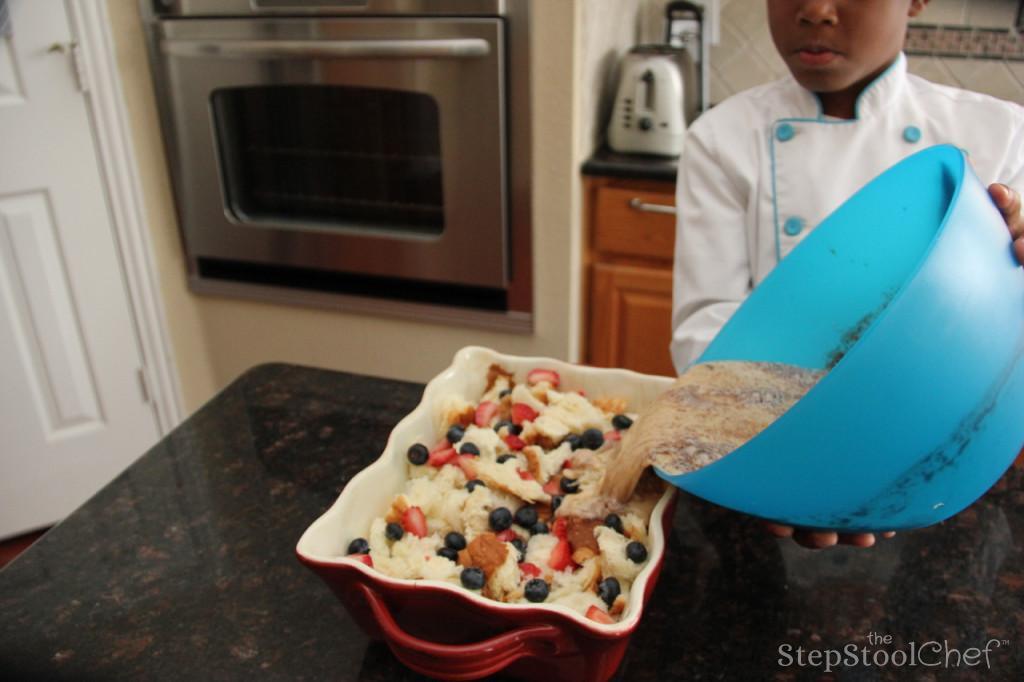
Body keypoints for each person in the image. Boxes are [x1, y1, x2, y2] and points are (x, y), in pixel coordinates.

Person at [670, 0, 1024, 548]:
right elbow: (708, 328)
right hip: (775, 468)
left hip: (951, 476)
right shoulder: (722, 137)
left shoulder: (1001, 132)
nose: (814, 10)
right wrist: (772, 454)